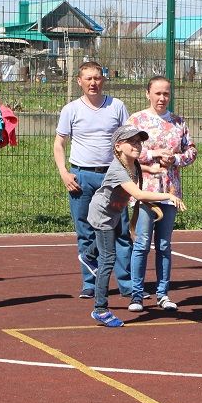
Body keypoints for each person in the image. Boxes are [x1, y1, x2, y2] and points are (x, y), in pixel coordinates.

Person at [86, 125, 186, 327]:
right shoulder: (117, 169)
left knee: (107, 246)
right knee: (108, 259)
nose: (137, 145)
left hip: (113, 213)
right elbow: (138, 194)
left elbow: (137, 184)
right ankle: (100, 309)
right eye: (131, 141)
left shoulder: (135, 164)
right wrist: (168, 195)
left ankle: (88, 254)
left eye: (139, 141)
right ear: (118, 146)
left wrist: (152, 169)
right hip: (102, 215)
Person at [53, 61, 133, 302]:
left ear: (103, 79)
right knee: (86, 232)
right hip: (81, 177)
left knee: (120, 230)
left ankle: (127, 285)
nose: (93, 83)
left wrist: (129, 173)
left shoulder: (117, 106)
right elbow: (59, 143)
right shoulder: (71, 110)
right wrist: (64, 172)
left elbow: (128, 141)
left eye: (97, 78)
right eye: (88, 78)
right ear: (79, 81)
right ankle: (91, 284)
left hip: (113, 177)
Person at [126, 76, 197, 312]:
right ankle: (136, 295)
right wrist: (155, 154)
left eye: (166, 93)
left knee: (164, 244)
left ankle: (163, 294)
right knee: (142, 243)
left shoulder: (179, 122)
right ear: (148, 94)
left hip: (171, 192)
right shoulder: (137, 120)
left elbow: (191, 151)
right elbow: (128, 151)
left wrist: (175, 158)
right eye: (157, 93)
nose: (162, 98)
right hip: (145, 191)